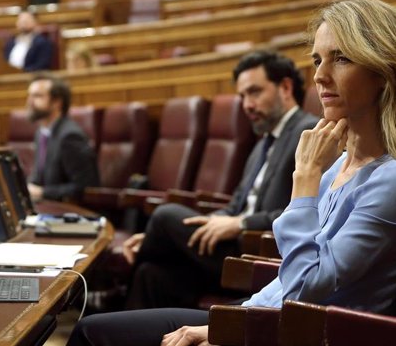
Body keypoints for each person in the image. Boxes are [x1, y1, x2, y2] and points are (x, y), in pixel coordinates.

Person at [57, 0, 396, 346]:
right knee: (93, 335)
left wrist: (304, 180)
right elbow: (286, 284)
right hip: (271, 326)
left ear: (384, 72)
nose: (319, 75)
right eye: (318, 59)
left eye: (341, 58)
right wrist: (230, 321)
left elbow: (305, 290)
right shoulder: (338, 169)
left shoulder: (394, 181)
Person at [122, 50, 319, 310]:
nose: (247, 104)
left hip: (260, 252)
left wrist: (241, 223)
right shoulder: (262, 143)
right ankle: (133, 345)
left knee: (164, 215)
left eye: (255, 92)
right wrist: (215, 221)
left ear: (285, 87)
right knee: (152, 274)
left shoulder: (309, 135)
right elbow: (236, 204)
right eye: (242, 96)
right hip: (233, 246)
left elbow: (308, 213)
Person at [26, 74, 100, 202]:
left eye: (37, 96)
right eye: (30, 95)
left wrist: (43, 192)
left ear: (56, 102)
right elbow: (40, 178)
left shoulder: (70, 137)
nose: (29, 102)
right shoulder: (41, 132)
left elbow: (85, 187)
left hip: (72, 212)